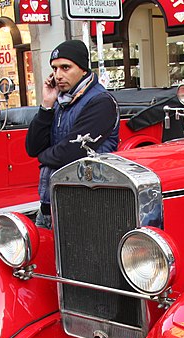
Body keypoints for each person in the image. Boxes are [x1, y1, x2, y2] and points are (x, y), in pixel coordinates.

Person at [25, 40, 119, 228]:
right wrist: (46, 106)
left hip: (85, 205)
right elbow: (33, 147)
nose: (58, 75)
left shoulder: (100, 102)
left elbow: (68, 154)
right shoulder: (59, 101)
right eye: (55, 68)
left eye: (66, 67)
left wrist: (44, 157)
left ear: (83, 69)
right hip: (50, 203)